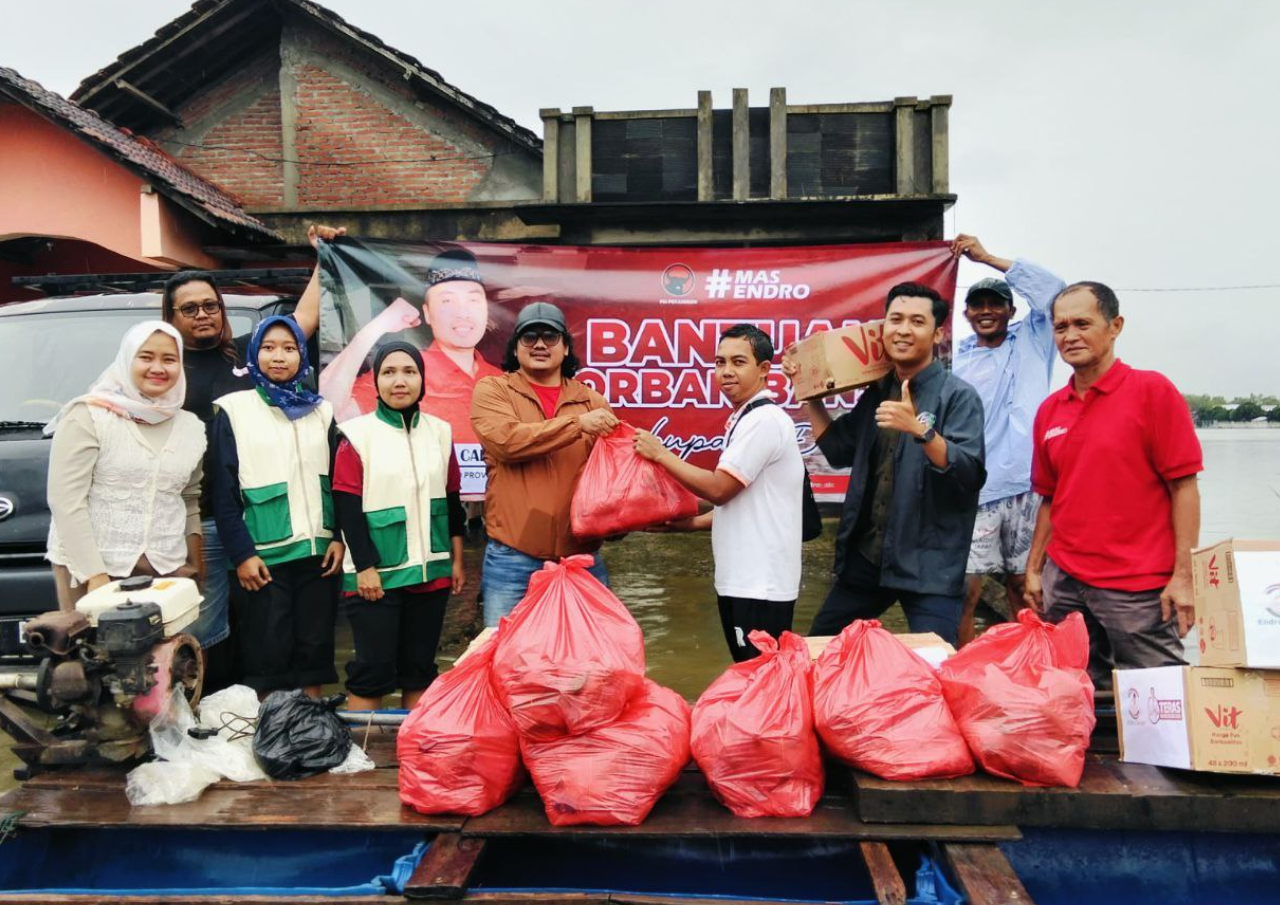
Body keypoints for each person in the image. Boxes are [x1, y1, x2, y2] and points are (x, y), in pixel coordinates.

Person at [783, 283, 986, 646]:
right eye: (895, 319)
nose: (904, 329)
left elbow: (969, 474)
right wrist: (808, 389)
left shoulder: (958, 396)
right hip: (868, 559)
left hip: (929, 565)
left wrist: (921, 432)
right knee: (819, 652)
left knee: (936, 668)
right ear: (883, 328)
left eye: (916, 321)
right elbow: (836, 449)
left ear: (937, 333)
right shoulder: (877, 392)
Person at [1024, 281, 1202, 687]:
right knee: (1076, 694)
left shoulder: (1151, 391)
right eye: (1060, 327)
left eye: (1082, 323)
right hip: (1065, 581)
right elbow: (1050, 499)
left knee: (1163, 696)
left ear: (1115, 325)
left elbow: (1184, 489)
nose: (1070, 336)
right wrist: (1035, 569)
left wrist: (1184, 576)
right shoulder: (1051, 411)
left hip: (1137, 586)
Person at [162, 235, 324, 656]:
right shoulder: (165, 370)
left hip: (256, 523)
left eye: (210, 305)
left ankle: (235, 714)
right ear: (171, 316)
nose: (203, 315)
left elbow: (303, 317)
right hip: (198, 523)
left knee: (255, 632)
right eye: (190, 308)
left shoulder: (249, 359)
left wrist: (325, 255)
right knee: (201, 630)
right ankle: (195, 715)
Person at [634, 324, 804, 661]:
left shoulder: (764, 421)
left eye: (738, 362)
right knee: (753, 678)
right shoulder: (747, 418)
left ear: (764, 369)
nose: (726, 372)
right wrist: (685, 523)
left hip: (758, 584)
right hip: (744, 579)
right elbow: (740, 505)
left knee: (759, 680)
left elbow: (719, 489)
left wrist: (660, 454)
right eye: (719, 362)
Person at [209, 315, 343, 698]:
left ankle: (311, 731)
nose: (279, 357)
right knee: (267, 651)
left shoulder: (322, 411)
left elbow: (339, 482)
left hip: (319, 553)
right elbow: (224, 492)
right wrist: (243, 555)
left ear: (302, 355)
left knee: (314, 649)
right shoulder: (234, 410)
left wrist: (338, 537)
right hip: (263, 558)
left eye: (289, 348)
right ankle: (272, 732)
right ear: (254, 355)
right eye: (268, 348)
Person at [333, 342, 467, 710]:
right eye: (389, 372)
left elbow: (452, 500)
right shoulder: (356, 435)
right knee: (372, 670)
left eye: (409, 371)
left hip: (431, 572)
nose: (400, 381)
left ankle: (410, 755)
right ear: (375, 382)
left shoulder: (440, 432)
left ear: (422, 379)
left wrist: (456, 560)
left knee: (419, 669)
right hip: (377, 576)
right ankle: (363, 762)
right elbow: (346, 507)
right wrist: (364, 567)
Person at [470, 301, 619, 626]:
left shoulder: (592, 401)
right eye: (529, 336)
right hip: (512, 559)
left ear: (566, 347)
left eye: (550, 337)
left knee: (589, 665)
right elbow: (507, 442)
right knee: (505, 661)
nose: (540, 344)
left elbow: (612, 476)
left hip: (582, 559)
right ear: (516, 348)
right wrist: (578, 425)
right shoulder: (493, 390)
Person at [950, 235, 1065, 645]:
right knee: (965, 591)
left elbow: (1055, 290)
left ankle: (1032, 669)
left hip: (1030, 488)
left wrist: (986, 259)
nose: (986, 311)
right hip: (977, 491)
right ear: (965, 313)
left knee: (1026, 584)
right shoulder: (956, 360)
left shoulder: (1035, 340)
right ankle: (961, 671)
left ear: (1011, 310)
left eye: (995, 303)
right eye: (978, 305)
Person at [45, 322, 206, 608]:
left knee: (166, 653)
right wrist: (95, 577)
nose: (158, 367)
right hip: (91, 570)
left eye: (169, 359)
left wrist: (195, 566)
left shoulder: (191, 427)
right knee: (95, 650)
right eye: (146, 357)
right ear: (126, 359)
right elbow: (66, 502)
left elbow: (189, 499)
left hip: (165, 571)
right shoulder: (88, 415)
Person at [321, 247, 501, 440]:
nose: (462, 312)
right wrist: (376, 327)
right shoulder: (407, 372)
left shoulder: (501, 381)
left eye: (473, 300)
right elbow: (332, 408)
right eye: (447, 301)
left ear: (486, 310)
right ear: (427, 313)